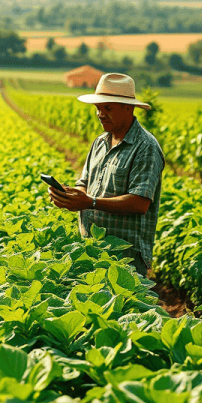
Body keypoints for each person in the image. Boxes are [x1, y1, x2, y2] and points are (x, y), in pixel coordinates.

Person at [48, 73, 164, 277]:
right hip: (91, 247)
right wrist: (70, 196)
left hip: (125, 256)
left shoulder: (146, 147)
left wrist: (90, 202)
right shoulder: (100, 142)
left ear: (128, 108)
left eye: (108, 108)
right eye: (98, 108)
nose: (100, 114)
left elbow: (139, 202)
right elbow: (85, 183)